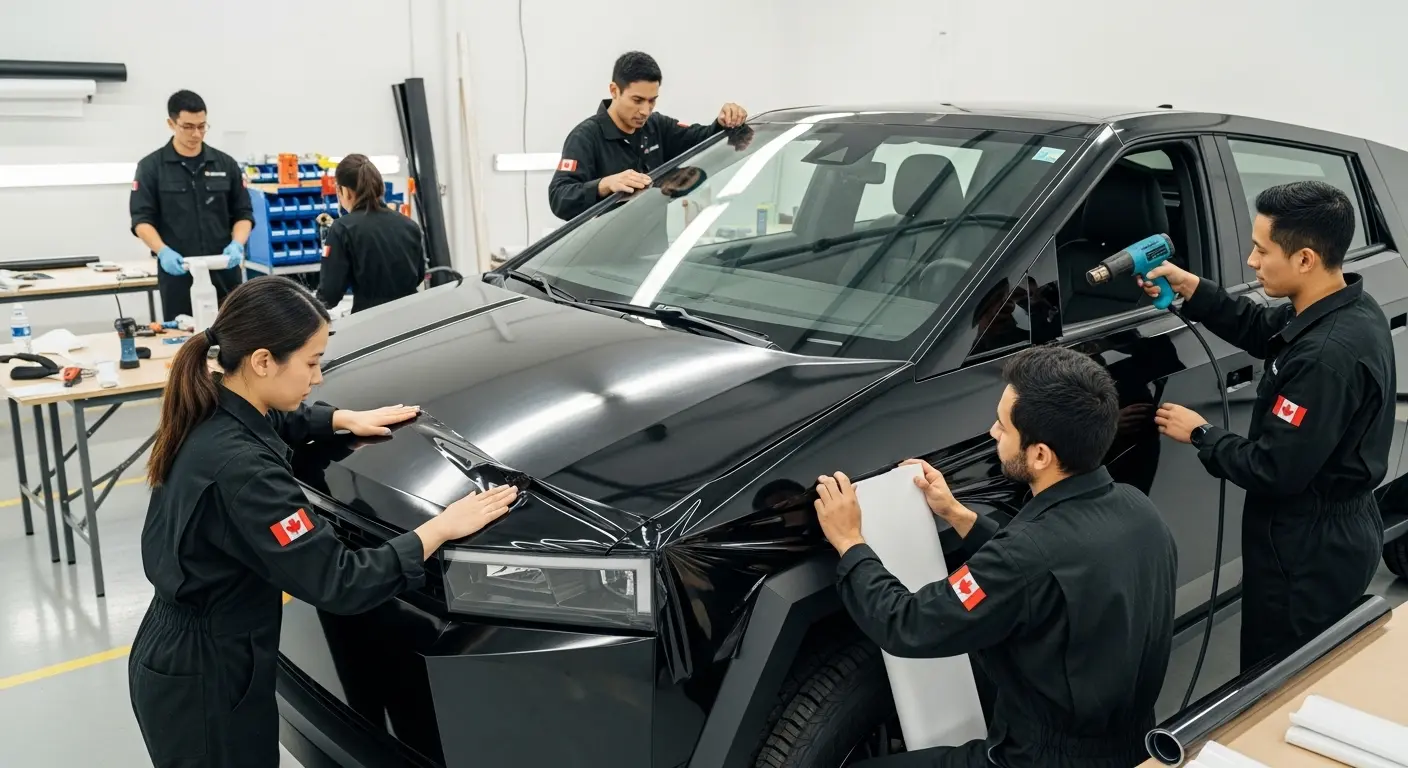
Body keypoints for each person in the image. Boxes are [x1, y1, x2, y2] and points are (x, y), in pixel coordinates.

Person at [127, 276, 518, 767]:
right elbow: (337, 581)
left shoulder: (213, 406)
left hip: (192, 650)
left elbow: (272, 422)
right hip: (207, 677)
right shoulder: (245, 473)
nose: (317, 379)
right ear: (263, 360)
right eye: (311, 363)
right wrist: (436, 530)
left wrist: (339, 419)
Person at [813, 344, 1179, 768]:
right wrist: (956, 512)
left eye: (1004, 427)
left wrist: (850, 542)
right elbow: (1043, 572)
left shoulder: (1024, 557)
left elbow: (906, 624)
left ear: (1040, 454)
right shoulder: (1140, 511)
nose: (992, 432)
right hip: (1131, 747)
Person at [1142, 179, 1393, 671]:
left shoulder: (1324, 359)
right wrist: (1195, 291)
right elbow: (1264, 330)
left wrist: (1202, 434)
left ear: (1304, 259)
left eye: (1261, 250)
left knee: (1280, 679)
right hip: (1331, 531)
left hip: (1306, 552)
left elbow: (1274, 470)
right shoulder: (1346, 306)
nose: (1252, 262)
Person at [548, 51, 748, 221]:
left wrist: (724, 122)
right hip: (599, 258)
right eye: (637, 100)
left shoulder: (657, 126)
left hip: (652, 256)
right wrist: (604, 184)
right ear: (614, 91)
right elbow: (559, 198)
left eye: (652, 101)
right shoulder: (585, 137)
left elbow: (704, 140)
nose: (645, 110)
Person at [130, 89, 252, 321]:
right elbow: (141, 220)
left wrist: (237, 244)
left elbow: (243, 213)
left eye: (202, 126)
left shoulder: (225, 164)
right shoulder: (151, 167)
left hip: (223, 271)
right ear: (171, 123)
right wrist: (162, 251)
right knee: (183, 341)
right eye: (188, 126)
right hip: (179, 274)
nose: (196, 134)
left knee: (235, 334)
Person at [315, 153, 425, 313]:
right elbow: (419, 275)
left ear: (345, 191)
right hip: (411, 317)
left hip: (371, 323)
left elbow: (329, 295)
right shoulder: (409, 225)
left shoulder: (342, 229)